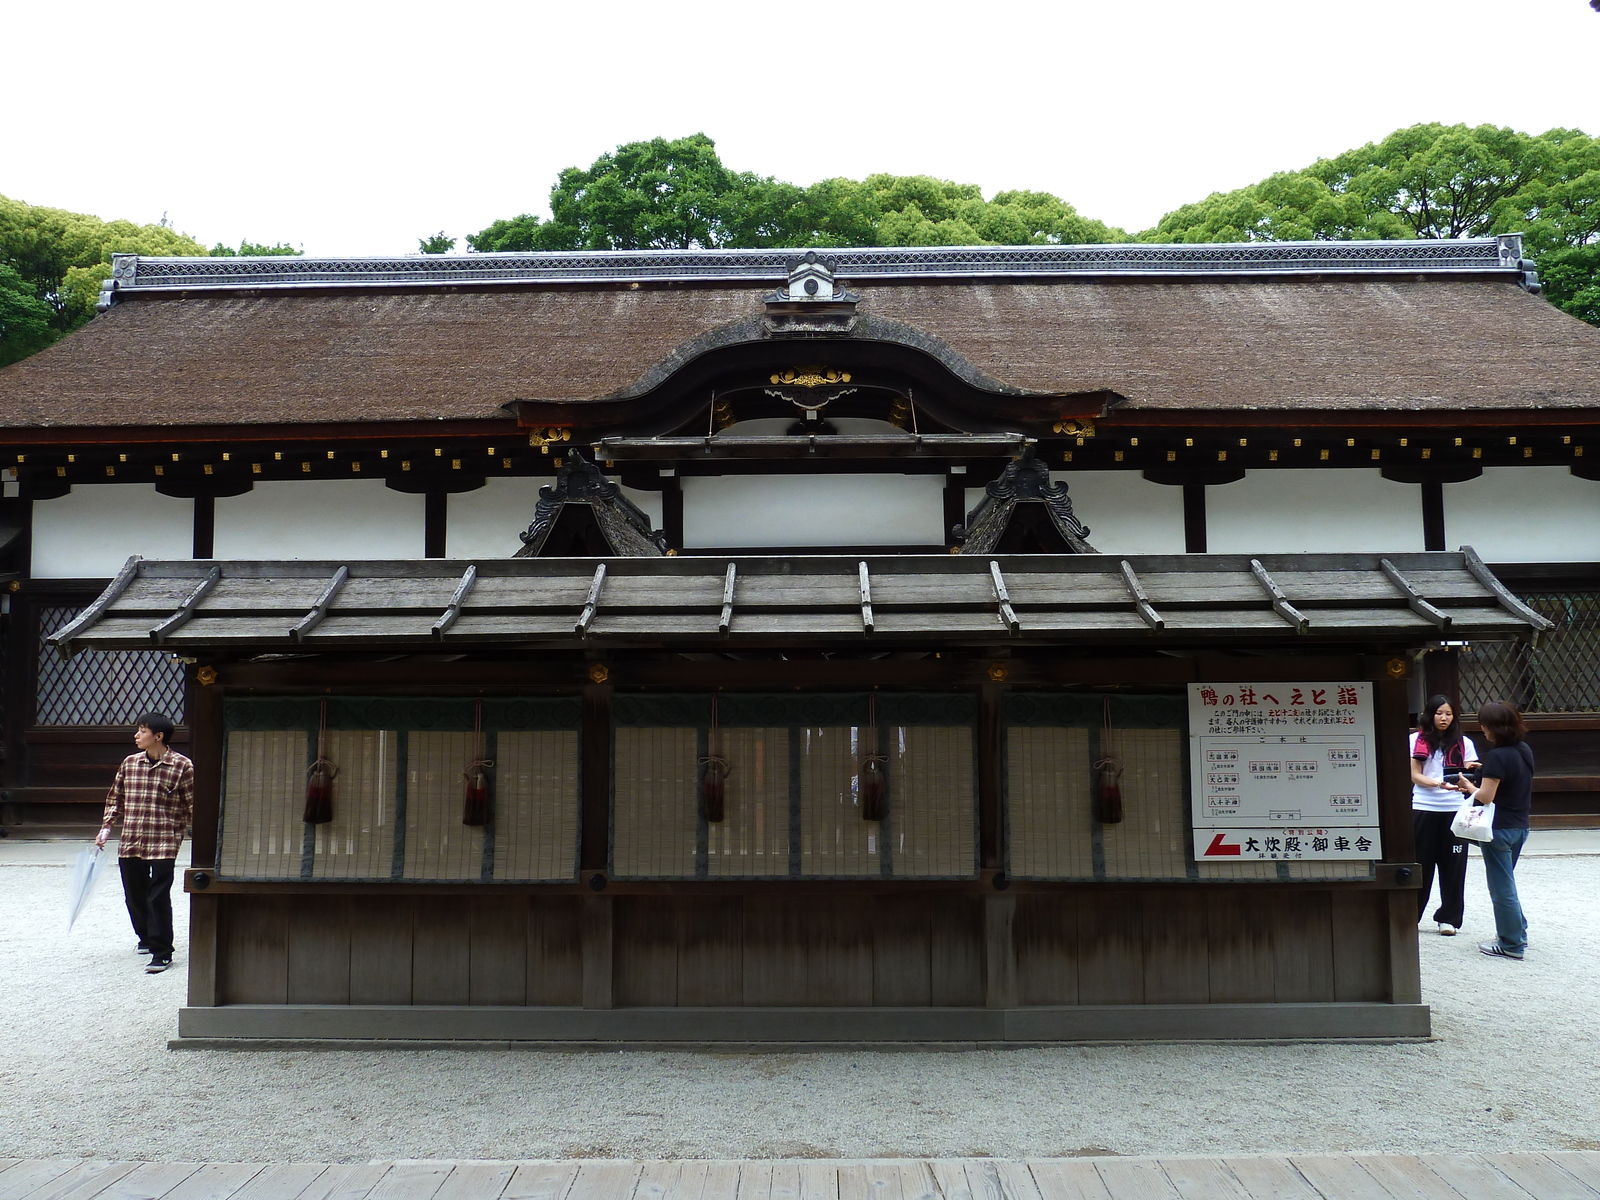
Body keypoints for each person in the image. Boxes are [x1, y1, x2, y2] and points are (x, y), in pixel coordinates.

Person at [96, 713, 194, 974]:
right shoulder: (129, 764)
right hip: (131, 838)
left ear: (158, 736)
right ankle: (146, 937)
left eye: (142, 731)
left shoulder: (182, 766)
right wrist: (106, 828)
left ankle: (162, 952)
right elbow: (115, 799)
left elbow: (192, 804)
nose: (136, 736)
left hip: (164, 839)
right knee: (134, 894)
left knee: (158, 895)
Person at [1454, 701, 1535, 960]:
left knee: (1501, 888)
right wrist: (1483, 771)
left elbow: (1486, 797)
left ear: (1490, 727)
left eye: (1484, 725)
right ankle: (1518, 932)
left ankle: (1511, 944)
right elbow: (1510, 779)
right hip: (1520, 826)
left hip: (1497, 829)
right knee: (1506, 883)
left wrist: (1468, 785)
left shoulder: (1498, 755)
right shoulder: (1523, 749)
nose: (1483, 730)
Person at [1409, 695, 1479, 935]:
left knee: (1454, 866)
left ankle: (1448, 918)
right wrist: (1439, 784)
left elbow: (1471, 772)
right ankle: (1411, 916)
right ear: (1429, 715)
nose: (1444, 718)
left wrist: (1470, 775)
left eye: (1448, 714)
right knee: (1422, 864)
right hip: (1424, 808)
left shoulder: (1464, 742)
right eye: (1439, 713)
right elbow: (1415, 775)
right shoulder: (1414, 740)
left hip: (1455, 810)